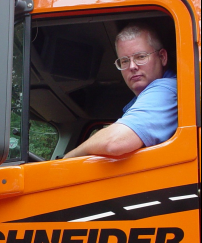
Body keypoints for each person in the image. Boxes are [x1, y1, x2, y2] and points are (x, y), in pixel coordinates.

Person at [63, 22, 177, 158]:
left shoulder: (166, 90)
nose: (132, 66)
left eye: (140, 57)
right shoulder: (140, 100)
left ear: (162, 57)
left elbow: (114, 142)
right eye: (124, 61)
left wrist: (67, 159)